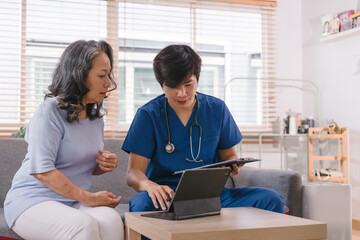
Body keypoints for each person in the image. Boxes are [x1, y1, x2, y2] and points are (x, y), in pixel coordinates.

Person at [122, 44, 284, 216]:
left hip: (212, 196)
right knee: (141, 206)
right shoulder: (148, 115)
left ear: (197, 79)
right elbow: (133, 173)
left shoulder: (217, 109)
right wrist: (150, 186)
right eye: (173, 86)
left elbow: (228, 156)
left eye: (188, 84)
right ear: (161, 84)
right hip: (167, 197)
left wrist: (232, 165)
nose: (182, 93)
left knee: (270, 199)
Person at [4, 40, 124, 240]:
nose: (108, 83)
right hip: (32, 201)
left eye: (109, 75)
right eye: (102, 75)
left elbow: (79, 164)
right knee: (83, 226)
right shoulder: (50, 111)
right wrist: (90, 198)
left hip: (70, 202)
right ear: (79, 75)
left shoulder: (95, 119)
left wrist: (102, 165)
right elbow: (42, 171)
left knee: (111, 221)